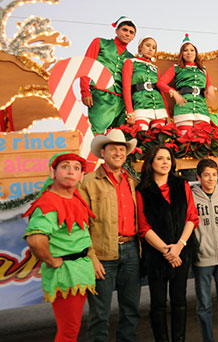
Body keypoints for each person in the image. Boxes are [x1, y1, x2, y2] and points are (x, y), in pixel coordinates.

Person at [23, 152, 96, 342]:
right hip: (67, 275)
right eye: (65, 166)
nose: (71, 171)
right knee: (69, 330)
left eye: (76, 168)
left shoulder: (75, 198)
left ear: (81, 176)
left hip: (79, 272)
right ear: (53, 172)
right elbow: (36, 239)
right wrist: (50, 260)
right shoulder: (50, 201)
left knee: (72, 327)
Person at [79, 129, 141, 342]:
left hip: (132, 250)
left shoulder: (132, 181)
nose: (118, 153)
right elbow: (81, 226)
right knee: (100, 314)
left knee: (131, 309)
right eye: (113, 148)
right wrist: (91, 257)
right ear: (102, 153)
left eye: (122, 149)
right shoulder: (88, 182)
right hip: (102, 254)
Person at [136, 144, 199, 342]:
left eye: (168, 159)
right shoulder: (142, 190)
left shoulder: (182, 185)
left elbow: (192, 217)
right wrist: (166, 251)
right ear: (151, 162)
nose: (165, 162)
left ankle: (179, 339)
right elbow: (143, 227)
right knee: (158, 304)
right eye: (160, 158)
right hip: (156, 255)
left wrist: (179, 247)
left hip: (181, 252)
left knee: (180, 301)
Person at [191, 159, 218, 342]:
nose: (210, 179)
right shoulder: (191, 197)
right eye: (206, 175)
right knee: (204, 305)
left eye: (214, 175)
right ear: (199, 177)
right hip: (202, 259)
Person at [80, 16, 136, 134]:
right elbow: (86, 65)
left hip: (121, 101)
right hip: (101, 95)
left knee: (119, 136)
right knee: (96, 132)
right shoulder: (100, 43)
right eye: (124, 30)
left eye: (131, 32)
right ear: (117, 30)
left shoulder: (131, 58)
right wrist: (85, 91)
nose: (127, 34)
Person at [157, 34, 216, 131]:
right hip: (183, 109)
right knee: (185, 140)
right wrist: (174, 93)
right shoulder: (176, 68)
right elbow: (160, 83)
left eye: (192, 50)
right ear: (181, 53)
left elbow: (207, 84)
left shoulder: (203, 70)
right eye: (185, 50)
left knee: (202, 139)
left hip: (201, 109)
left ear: (196, 53)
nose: (189, 53)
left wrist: (210, 88)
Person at [122, 36, 169, 131]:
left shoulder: (156, 69)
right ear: (140, 47)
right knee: (142, 137)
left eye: (153, 47)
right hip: (141, 105)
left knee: (160, 138)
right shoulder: (130, 62)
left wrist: (166, 113)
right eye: (148, 45)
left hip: (159, 108)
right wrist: (130, 112)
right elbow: (126, 88)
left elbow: (161, 92)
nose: (150, 49)